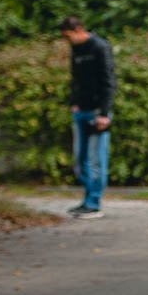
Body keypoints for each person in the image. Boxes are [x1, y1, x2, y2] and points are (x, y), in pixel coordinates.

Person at [59, 16, 115, 218]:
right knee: (80, 160)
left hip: (97, 112)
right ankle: (86, 200)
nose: (68, 41)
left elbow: (108, 81)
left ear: (79, 29)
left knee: (95, 160)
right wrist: (73, 102)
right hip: (80, 110)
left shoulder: (100, 47)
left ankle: (94, 203)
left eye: (69, 36)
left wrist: (104, 113)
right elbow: (76, 79)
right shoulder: (76, 49)